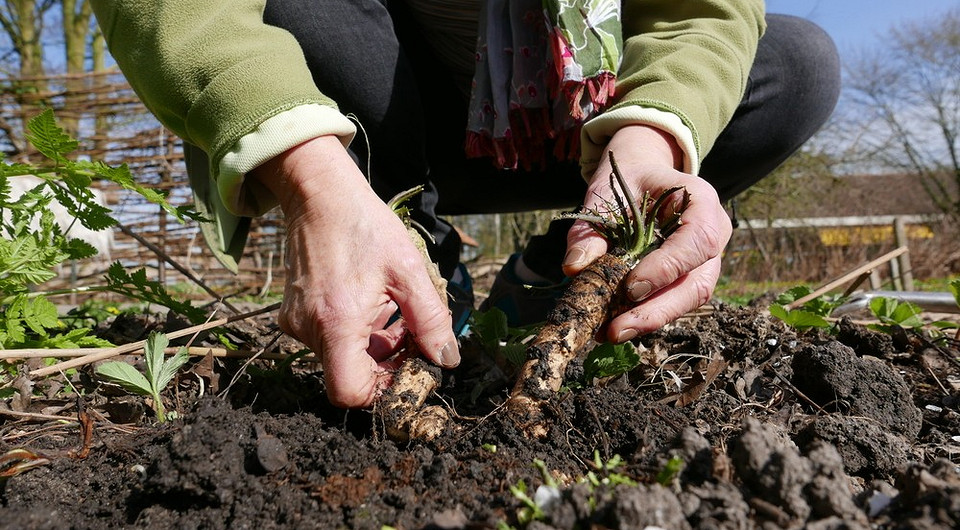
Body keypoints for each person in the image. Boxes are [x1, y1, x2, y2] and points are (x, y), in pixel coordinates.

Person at [90, 0, 840, 408]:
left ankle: (556, 280)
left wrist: (648, 140)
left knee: (794, 63)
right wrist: (310, 175)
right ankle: (412, 286)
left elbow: (701, 13)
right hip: (359, 113)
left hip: (569, 116)